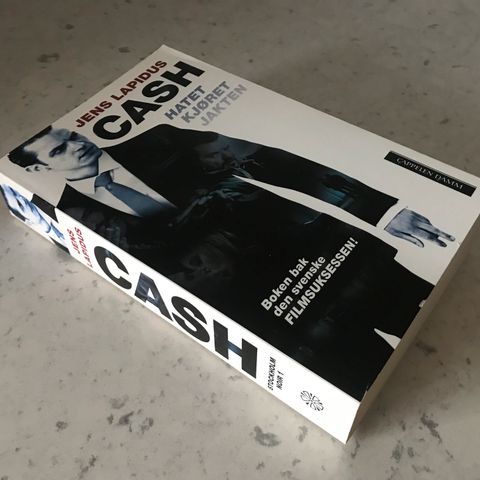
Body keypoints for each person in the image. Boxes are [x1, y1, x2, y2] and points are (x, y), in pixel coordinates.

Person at [8, 124, 454, 248]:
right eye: (60, 151)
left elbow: (276, 164)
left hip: (324, 248)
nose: (78, 146)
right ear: (40, 170)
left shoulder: (158, 140)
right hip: (261, 320)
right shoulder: (71, 218)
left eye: (73, 136)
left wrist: (381, 210)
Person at [1, 184, 67, 249]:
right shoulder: (57, 241)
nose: (22, 198)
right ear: (28, 221)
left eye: (15, 192)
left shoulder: (46, 201)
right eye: (20, 204)